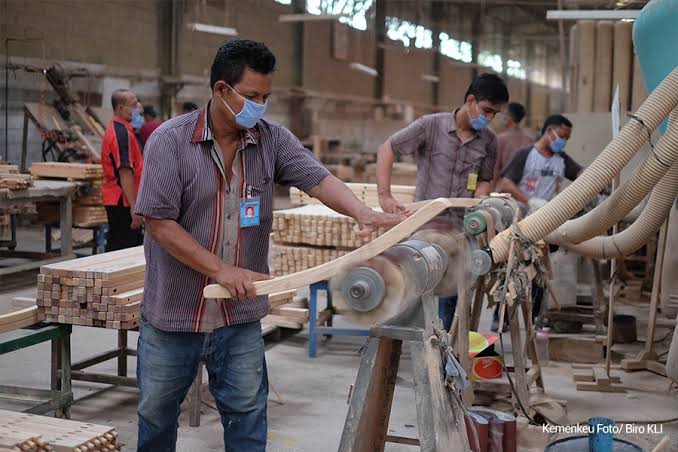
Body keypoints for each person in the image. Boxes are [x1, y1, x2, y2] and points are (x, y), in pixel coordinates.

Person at [133, 39, 406, 451]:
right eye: (251, 97)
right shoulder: (170, 142)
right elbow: (159, 223)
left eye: (265, 97)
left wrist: (362, 212)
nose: (259, 106)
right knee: (156, 416)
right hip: (174, 313)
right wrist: (220, 270)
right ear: (221, 89)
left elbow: (318, 179)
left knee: (247, 414)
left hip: (239, 316)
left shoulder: (271, 141)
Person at [375, 73, 509, 331]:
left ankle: (448, 351)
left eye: (495, 114)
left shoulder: (489, 141)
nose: (489, 118)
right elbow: (387, 149)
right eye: (487, 110)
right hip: (423, 231)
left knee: (453, 305)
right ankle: (408, 348)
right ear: (470, 101)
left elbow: (484, 180)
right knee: (413, 298)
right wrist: (384, 196)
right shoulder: (430, 126)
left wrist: (481, 201)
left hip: (460, 233)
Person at [497, 114, 583, 326]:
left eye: (567, 138)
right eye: (562, 135)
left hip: (547, 224)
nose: (563, 141)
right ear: (549, 131)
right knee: (511, 270)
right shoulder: (525, 154)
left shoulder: (561, 159)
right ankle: (501, 318)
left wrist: (598, 175)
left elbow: (581, 173)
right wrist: (530, 200)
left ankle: (534, 319)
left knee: (541, 273)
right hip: (521, 222)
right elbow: (506, 183)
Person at [101, 89, 144, 252]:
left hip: (124, 199)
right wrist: (134, 207)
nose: (137, 108)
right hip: (122, 201)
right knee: (123, 249)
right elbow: (125, 171)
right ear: (120, 108)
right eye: (133, 105)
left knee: (123, 246)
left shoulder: (124, 130)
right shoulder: (120, 133)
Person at [493, 102, 534, 188]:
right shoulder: (529, 138)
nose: (502, 117)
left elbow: (496, 168)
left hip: (504, 187)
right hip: (523, 187)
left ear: (509, 117)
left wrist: (492, 188)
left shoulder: (501, 139)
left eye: (504, 114)